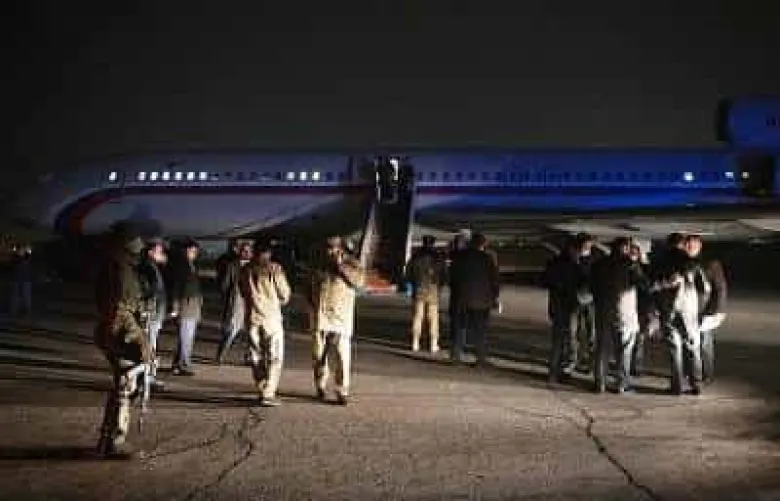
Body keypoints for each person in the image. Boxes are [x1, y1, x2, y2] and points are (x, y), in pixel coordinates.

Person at [94, 231, 151, 458]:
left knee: (123, 386)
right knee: (125, 386)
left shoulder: (113, 265)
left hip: (113, 331)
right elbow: (121, 309)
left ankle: (107, 440)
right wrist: (140, 338)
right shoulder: (121, 269)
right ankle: (114, 442)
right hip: (121, 335)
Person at [310, 235, 365, 405]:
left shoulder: (352, 264)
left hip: (341, 316)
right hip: (320, 316)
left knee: (342, 355)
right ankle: (320, 384)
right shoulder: (319, 264)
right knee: (318, 355)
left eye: (333, 247)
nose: (330, 251)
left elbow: (359, 282)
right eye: (327, 247)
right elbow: (309, 285)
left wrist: (341, 266)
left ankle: (342, 390)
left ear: (340, 248)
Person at [590, 237, 647, 393]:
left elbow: (592, 286)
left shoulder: (599, 264)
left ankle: (599, 383)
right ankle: (621, 384)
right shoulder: (630, 265)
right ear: (625, 248)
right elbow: (643, 284)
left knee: (602, 348)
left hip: (602, 311)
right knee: (624, 349)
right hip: (624, 312)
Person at [239, 241, 291, 407]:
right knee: (274, 356)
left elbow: (242, 292)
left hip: (251, 317)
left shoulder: (245, 270)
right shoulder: (274, 269)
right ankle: (268, 392)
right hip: (271, 318)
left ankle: (261, 387)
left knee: (256, 355)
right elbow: (284, 294)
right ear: (268, 253)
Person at [448, 233, 500, 366]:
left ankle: (455, 356)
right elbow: (494, 281)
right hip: (482, 301)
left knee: (459, 328)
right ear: (483, 244)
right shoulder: (487, 259)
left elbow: (452, 277)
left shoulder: (460, 257)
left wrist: (455, 292)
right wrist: (494, 298)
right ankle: (480, 359)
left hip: (461, 299)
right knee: (480, 331)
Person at [541, 238, 585, 382]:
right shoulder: (574, 265)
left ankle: (554, 371)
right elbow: (582, 283)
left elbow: (544, 281)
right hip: (569, 306)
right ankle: (564, 369)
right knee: (569, 339)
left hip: (556, 305)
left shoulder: (554, 263)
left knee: (558, 340)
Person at [684, 234, 726, 384]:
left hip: (704, 310)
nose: (690, 247)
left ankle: (706, 374)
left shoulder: (711, 263)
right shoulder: (682, 262)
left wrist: (716, 311)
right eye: (688, 245)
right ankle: (690, 372)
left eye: (693, 245)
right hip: (686, 310)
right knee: (687, 343)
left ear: (699, 246)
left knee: (704, 343)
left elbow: (720, 288)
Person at [404, 235, 446, 353]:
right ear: (433, 243)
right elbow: (444, 275)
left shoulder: (416, 256)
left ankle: (415, 342)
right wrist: (440, 286)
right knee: (433, 317)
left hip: (419, 288)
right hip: (433, 288)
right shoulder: (438, 257)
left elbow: (408, 273)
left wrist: (412, 285)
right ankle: (433, 343)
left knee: (418, 316)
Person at [136, 238, 168, 389]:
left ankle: (148, 376)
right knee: (149, 345)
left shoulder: (152, 267)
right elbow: (149, 291)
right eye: (159, 251)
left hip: (155, 313)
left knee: (151, 344)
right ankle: (146, 378)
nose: (162, 254)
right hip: (151, 314)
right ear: (150, 252)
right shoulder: (147, 267)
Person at [170, 239, 203, 376]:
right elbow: (176, 288)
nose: (194, 253)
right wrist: (175, 307)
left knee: (186, 338)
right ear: (185, 251)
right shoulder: (181, 266)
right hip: (185, 307)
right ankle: (184, 365)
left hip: (192, 307)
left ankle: (178, 364)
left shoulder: (191, 265)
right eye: (191, 250)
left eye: (195, 251)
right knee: (186, 338)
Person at [216, 242, 253, 363]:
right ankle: (221, 355)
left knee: (251, 332)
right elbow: (225, 285)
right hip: (237, 300)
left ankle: (250, 357)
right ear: (239, 252)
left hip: (252, 301)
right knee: (231, 330)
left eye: (248, 251)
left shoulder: (254, 266)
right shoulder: (232, 265)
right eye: (244, 250)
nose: (246, 253)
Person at [9, 243, 34, 316]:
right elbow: (13, 263)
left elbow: (29, 257)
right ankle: (16, 311)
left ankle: (25, 311)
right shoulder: (16, 258)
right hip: (18, 279)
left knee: (25, 296)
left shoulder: (27, 257)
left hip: (25, 280)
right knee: (17, 296)